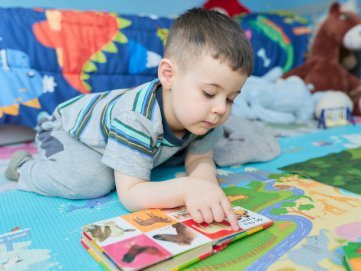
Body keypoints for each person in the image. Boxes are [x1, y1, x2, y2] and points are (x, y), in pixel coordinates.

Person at [5, 8, 253, 230]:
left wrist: (205, 184)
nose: (221, 109)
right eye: (209, 93)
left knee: (162, 162)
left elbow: (200, 158)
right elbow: (131, 193)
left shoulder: (207, 118)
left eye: (231, 98)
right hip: (68, 131)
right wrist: (188, 188)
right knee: (91, 181)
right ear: (169, 75)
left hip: (117, 135)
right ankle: (25, 168)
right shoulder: (136, 118)